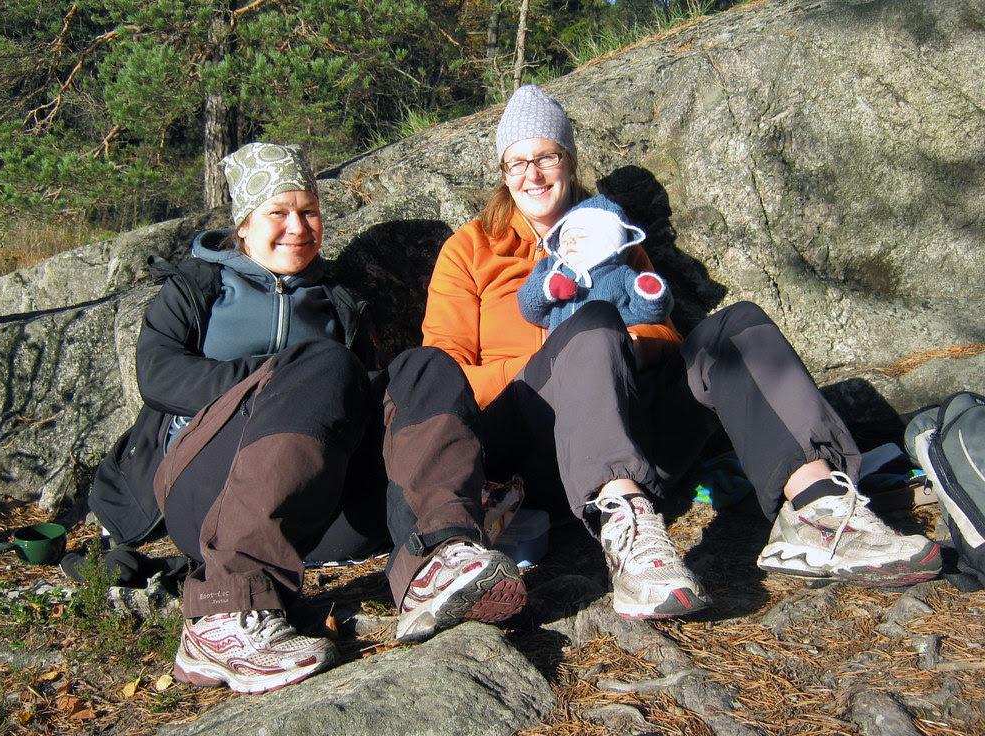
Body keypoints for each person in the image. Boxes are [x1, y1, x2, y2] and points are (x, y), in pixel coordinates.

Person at [422, 85, 942, 620]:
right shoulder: (471, 249)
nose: (532, 174)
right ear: (503, 175)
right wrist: (564, 355)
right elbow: (442, 375)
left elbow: (664, 333)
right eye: (516, 163)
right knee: (592, 326)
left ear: (569, 162)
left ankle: (817, 509)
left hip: (634, 433)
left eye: (546, 157)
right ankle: (626, 539)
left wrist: (617, 352)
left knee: (735, 326)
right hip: (533, 451)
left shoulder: (611, 233)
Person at [89, 143, 526, 694]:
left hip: (314, 514)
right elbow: (159, 377)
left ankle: (437, 558)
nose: (297, 226)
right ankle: (224, 613)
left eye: (309, 211)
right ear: (244, 225)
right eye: (278, 212)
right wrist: (276, 377)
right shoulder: (197, 287)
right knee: (321, 364)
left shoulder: (339, 301)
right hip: (206, 494)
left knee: (424, 366)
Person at [517, 194, 673, 331]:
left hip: (606, 349)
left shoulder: (621, 275)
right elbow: (529, 308)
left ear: (608, 244)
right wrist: (547, 289)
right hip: (560, 355)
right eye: (564, 239)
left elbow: (644, 314)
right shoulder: (551, 268)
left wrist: (650, 294)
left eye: (582, 236)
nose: (569, 241)